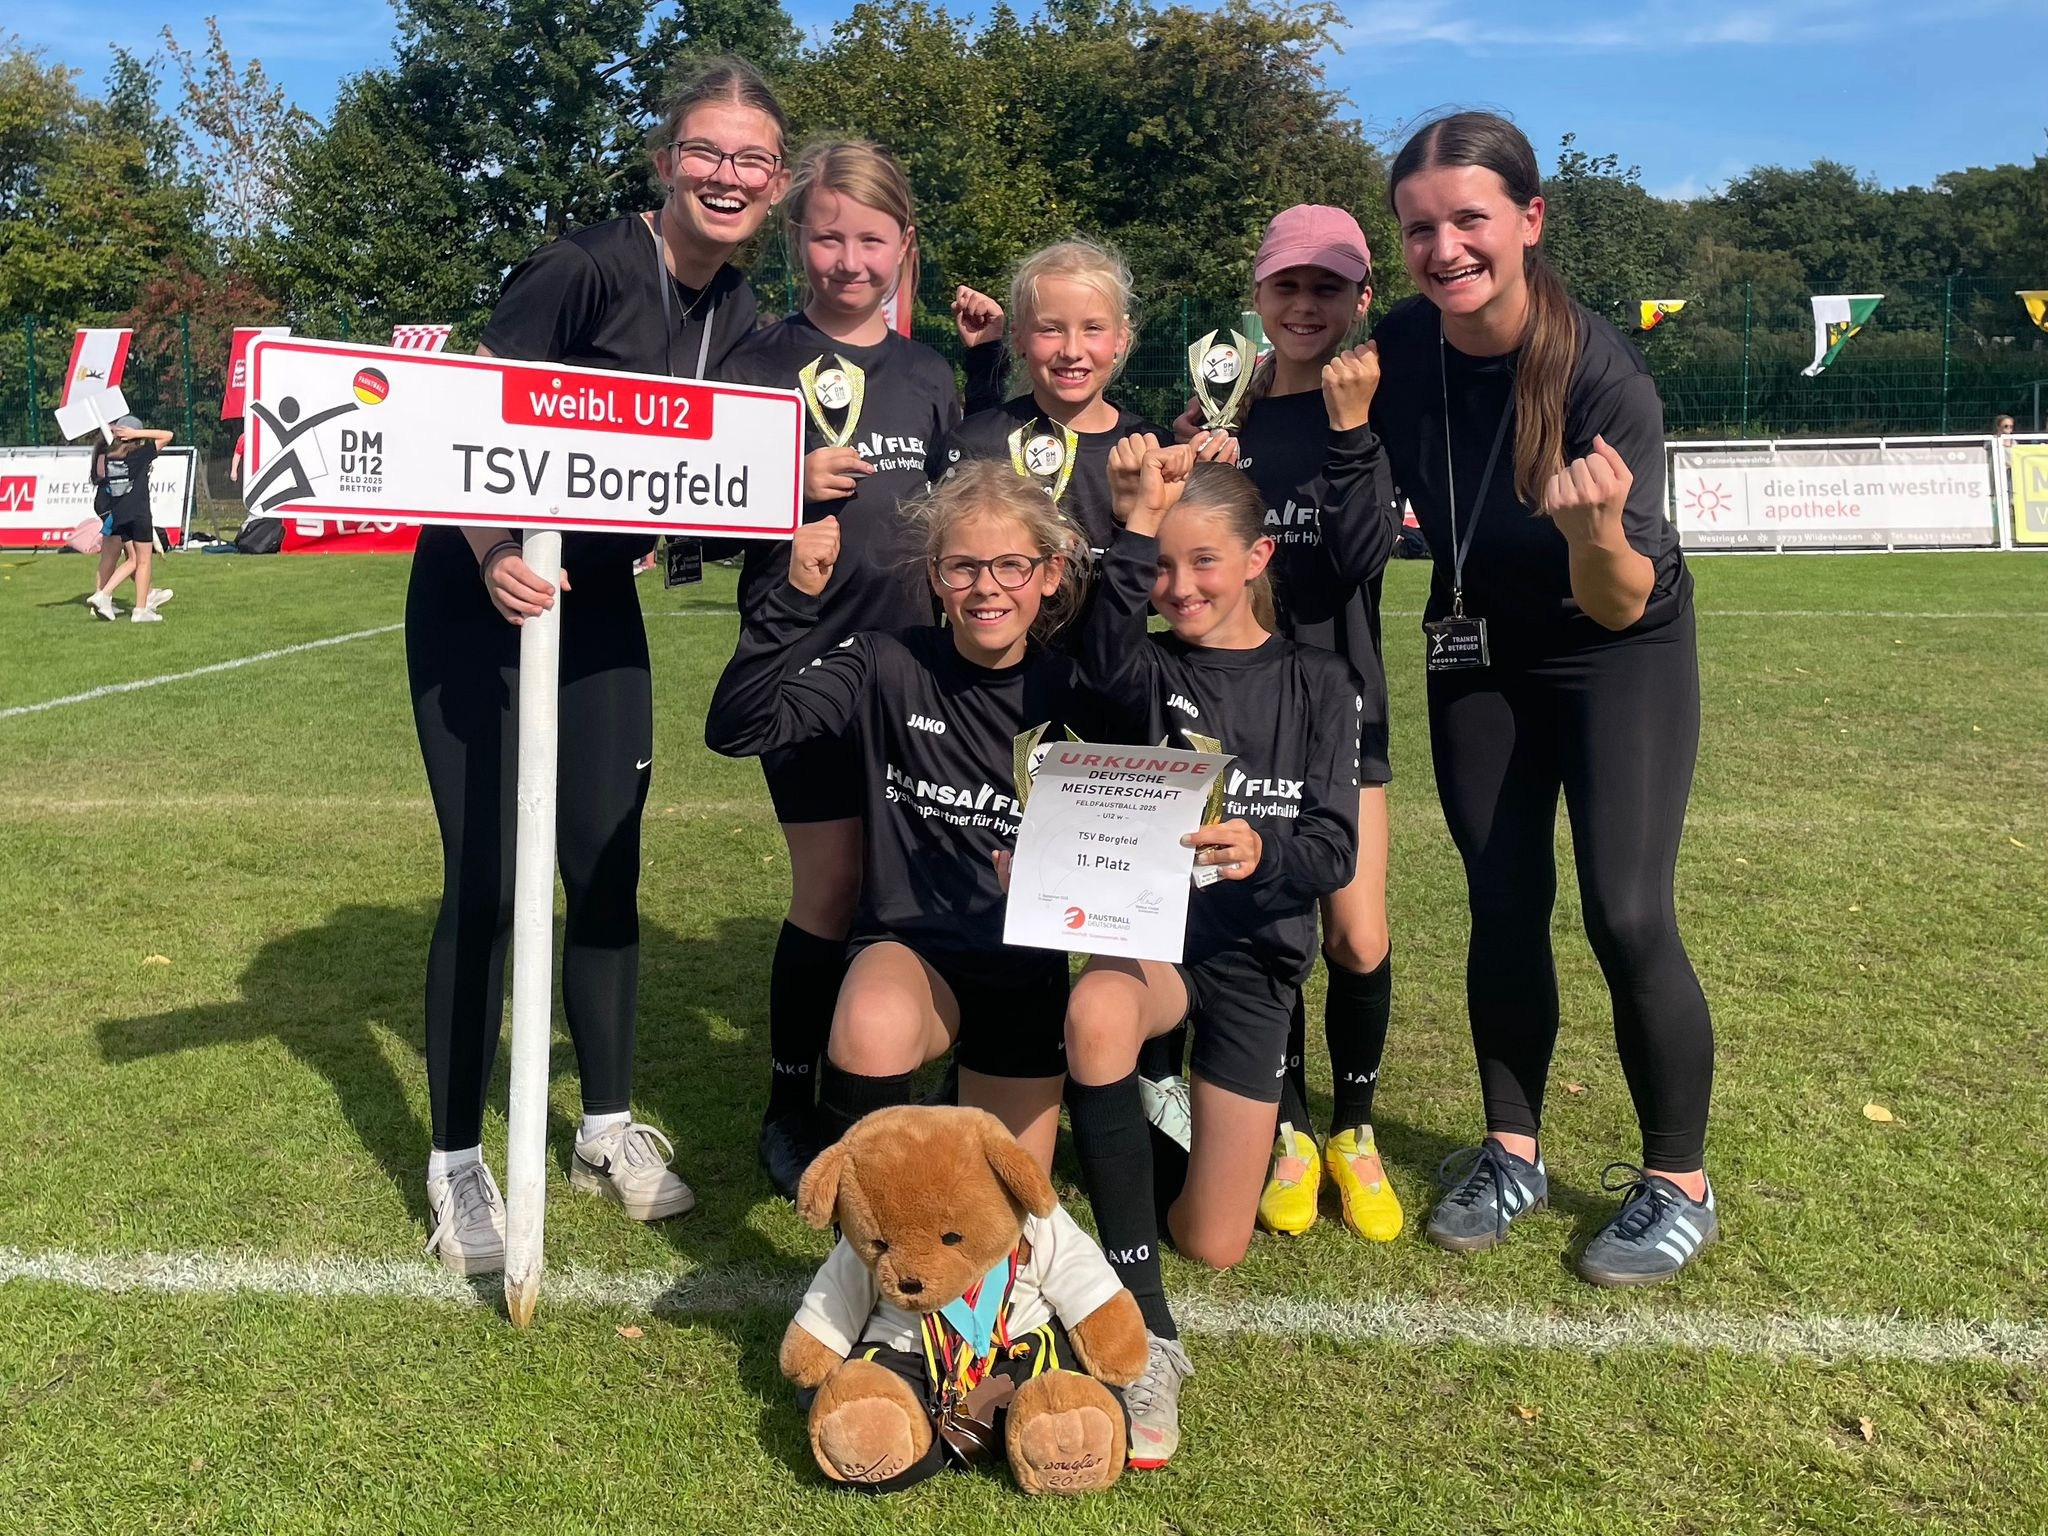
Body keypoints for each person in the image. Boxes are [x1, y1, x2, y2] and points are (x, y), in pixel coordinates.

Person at [403, 56, 792, 1277]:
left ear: (775, 185)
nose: (725, 176)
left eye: (751, 161)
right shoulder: (579, 268)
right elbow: (460, 422)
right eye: (706, 151)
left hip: (600, 602)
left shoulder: (743, 309)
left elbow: (723, 459)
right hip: (481, 594)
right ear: (665, 160)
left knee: (606, 865)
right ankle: (456, 1164)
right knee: (484, 882)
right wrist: (489, 555)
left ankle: (604, 1131)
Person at [1367, 111, 1717, 1286]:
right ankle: (1509, 1151)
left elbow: (1622, 601)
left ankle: (1677, 1181)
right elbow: (1315, 414)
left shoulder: (1603, 376)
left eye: (1468, 219)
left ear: (1527, 219)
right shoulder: (1399, 345)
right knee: (1501, 899)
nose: (1443, 249)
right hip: (1473, 644)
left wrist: (1593, 532)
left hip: (1613, 646)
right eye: (1418, 228)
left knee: (1625, 912)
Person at [1063, 440, 1368, 1467]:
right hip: (1156, 943)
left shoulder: (1320, 681)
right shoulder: (1144, 667)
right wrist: (1132, 526)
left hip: (1255, 965)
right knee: (1096, 1013)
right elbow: (1098, 655)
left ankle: (1138, 1119)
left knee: (1215, 1241)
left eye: (1203, 561)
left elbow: (1332, 847)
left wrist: (1263, 851)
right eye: (1162, 565)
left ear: (1256, 559)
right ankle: (1145, 1325)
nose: (1178, 585)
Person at [705, 464, 1097, 1173]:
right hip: (911, 955)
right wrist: (791, 600)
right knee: (870, 1020)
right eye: (962, 567)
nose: (986, 587)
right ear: (934, 577)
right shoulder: (884, 662)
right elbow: (738, 728)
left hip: (1024, 974)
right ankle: (852, 1217)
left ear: (1049, 573)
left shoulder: (1077, 691)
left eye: (1011, 565)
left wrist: (1061, 882)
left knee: (997, 1216)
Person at [719, 139, 963, 1200]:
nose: (849, 260)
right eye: (827, 237)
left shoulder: (929, 374)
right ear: (796, 238)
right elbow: (700, 519)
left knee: (910, 887)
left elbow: (961, 513)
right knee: (826, 886)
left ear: (904, 245)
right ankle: (789, 1101)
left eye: (870, 239)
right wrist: (782, 480)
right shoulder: (755, 362)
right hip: (803, 666)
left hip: (915, 676)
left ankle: (899, 1078)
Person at [1188, 206, 1405, 1245]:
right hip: (1239, 710)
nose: (1306, 305)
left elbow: (1361, 557)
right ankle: (1289, 1126)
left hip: (1341, 703)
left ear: (1361, 298)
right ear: (1259, 296)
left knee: (1356, 937)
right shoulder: (1218, 410)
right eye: (1287, 286)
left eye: (1328, 287)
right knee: (1260, 924)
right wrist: (1197, 470)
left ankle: (1353, 1131)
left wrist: (1353, 432)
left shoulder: (1372, 406)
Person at [942, 241, 1161, 558]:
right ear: (1019, 339)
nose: (1072, 351)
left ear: (1121, 339)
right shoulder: (976, 443)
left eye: (1093, 328)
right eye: (1051, 329)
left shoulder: (1153, 449)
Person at [85, 417, 174, 622]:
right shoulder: (139, 455)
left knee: (133, 560)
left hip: (120, 514)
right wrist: (138, 434)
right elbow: (168, 435)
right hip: (139, 513)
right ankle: (137, 609)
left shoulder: (109, 457)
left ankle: (106, 595)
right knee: (143, 561)